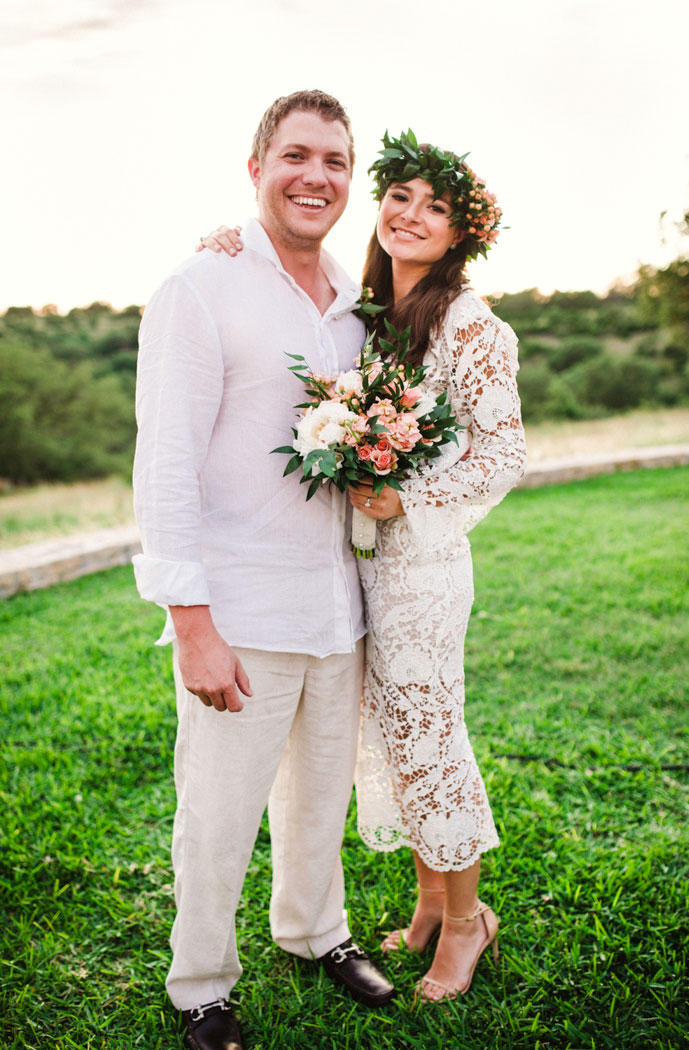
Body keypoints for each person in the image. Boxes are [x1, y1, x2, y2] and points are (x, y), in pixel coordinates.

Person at [199, 130, 527, 1003]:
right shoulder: (366, 311)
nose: (411, 215)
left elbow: (503, 452)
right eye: (401, 197)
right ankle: (427, 906)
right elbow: (285, 275)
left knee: (430, 744)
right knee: (395, 737)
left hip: (422, 575)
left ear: (464, 233)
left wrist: (405, 498)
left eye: (438, 207)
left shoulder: (470, 323)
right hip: (364, 572)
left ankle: (467, 926)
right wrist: (226, 248)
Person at [132, 90, 395, 1050]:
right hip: (238, 609)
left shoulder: (357, 308)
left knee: (321, 795)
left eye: (334, 160)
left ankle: (315, 931)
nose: (314, 176)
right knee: (218, 812)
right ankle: (201, 982)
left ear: (349, 179)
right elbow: (162, 466)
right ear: (257, 169)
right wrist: (191, 621)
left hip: (336, 604)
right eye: (295, 155)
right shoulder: (201, 286)